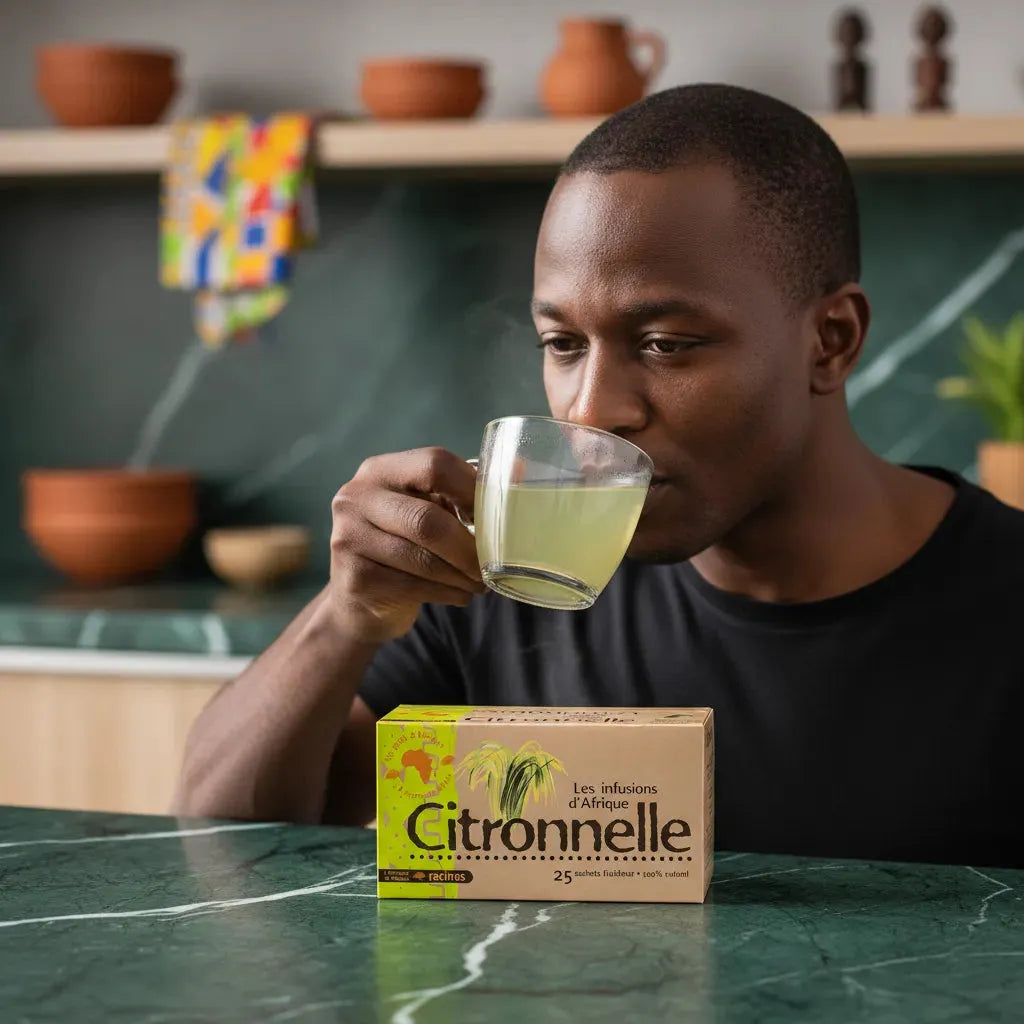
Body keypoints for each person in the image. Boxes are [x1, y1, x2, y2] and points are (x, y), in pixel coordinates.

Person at [176, 84, 1024, 869]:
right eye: (563, 344)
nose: (589, 412)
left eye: (665, 345)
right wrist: (342, 619)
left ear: (831, 341)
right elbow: (226, 844)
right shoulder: (506, 570)